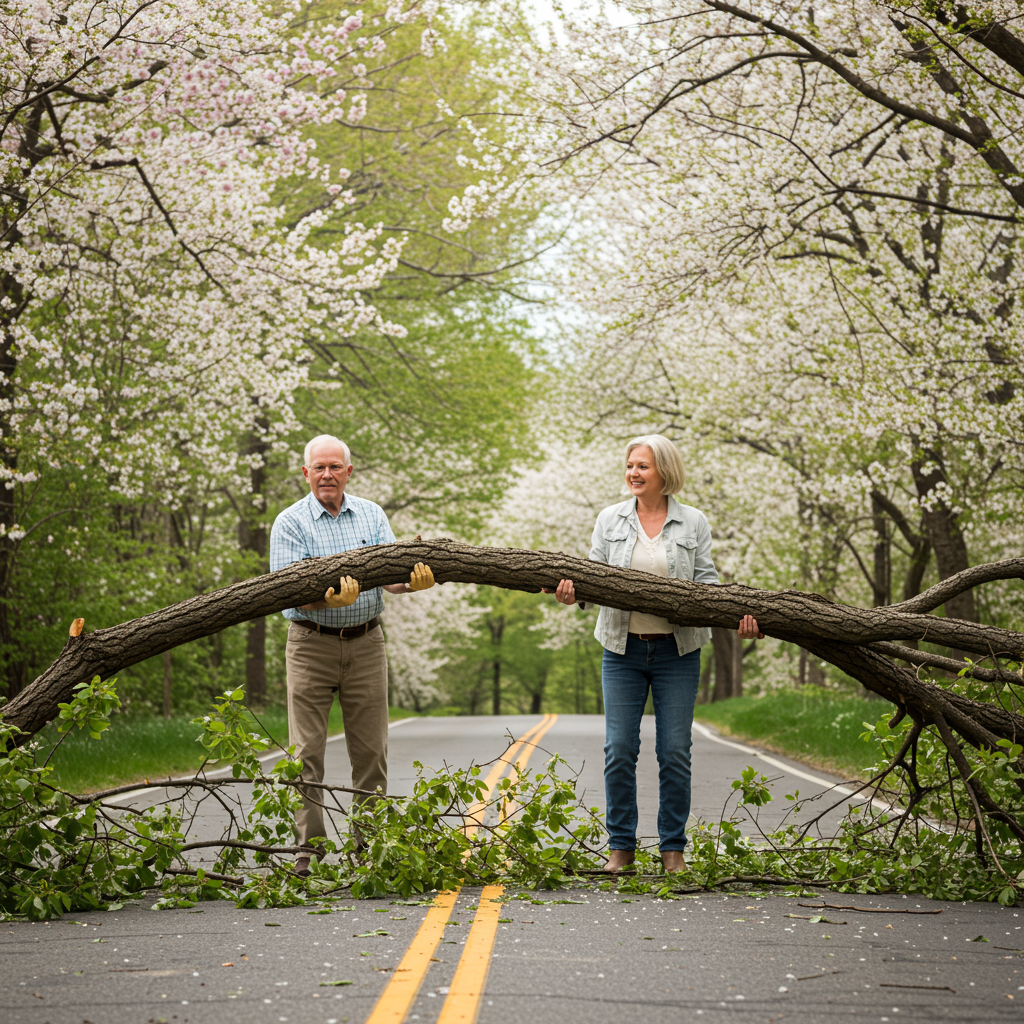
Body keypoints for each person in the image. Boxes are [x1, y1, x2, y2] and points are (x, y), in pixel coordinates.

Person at [545, 435, 762, 873]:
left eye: (642, 466)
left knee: (675, 750)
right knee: (619, 748)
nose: (633, 473)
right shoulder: (609, 519)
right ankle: (621, 847)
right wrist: (573, 594)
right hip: (621, 650)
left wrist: (739, 615)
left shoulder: (693, 522)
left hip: (678, 652)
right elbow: (592, 575)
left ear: (664, 471)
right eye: (629, 465)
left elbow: (707, 583)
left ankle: (672, 849)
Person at [269, 434, 435, 876]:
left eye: (334, 467)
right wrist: (327, 602)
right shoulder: (290, 523)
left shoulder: (372, 516)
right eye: (318, 467)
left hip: (367, 644)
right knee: (306, 751)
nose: (327, 474)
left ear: (348, 471)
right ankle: (308, 849)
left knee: (371, 751)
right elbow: (287, 592)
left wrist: (411, 580)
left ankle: (370, 845)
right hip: (310, 644)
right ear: (306, 473)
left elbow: (392, 578)